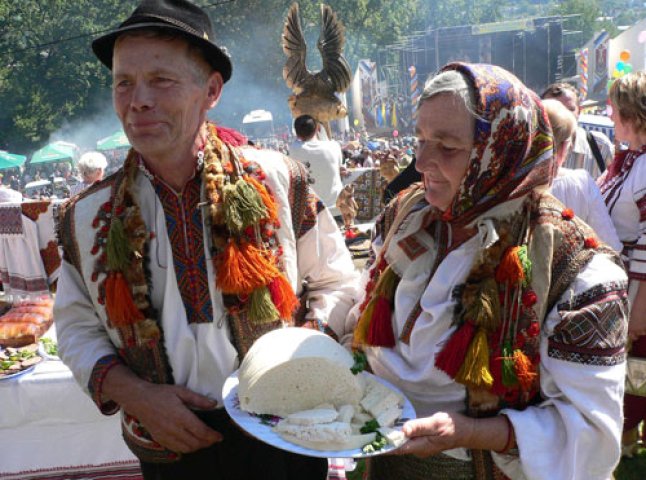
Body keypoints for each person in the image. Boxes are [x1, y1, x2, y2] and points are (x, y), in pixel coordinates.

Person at [53, 1, 358, 479]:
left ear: (211, 90)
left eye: (161, 80)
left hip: (285, 428)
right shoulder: (86, 216)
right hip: (167, 441)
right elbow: (74, 328)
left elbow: (337, 282)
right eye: (124, 83)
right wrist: (137, 396)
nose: (138, 101)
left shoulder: (279, 180)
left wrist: (301, 355)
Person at [342, 63, 628, 479]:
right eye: (420, 139)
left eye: (448, 146)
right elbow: (364, 312)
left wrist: (472, 432)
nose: (421, 162)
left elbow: (591, 436)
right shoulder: (407, 217)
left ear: (501, 150)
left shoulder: (576, 269)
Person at [598, 71, 646, 457]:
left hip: (638, 285)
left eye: (616, 109)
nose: (610, 115)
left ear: (635, 114)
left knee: (636, 366)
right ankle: (628, 437)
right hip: (623, 278)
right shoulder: (628, 159)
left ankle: (628, 437)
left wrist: (638, 307)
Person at [543, 99, 622, 251]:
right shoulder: (581, 183)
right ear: (566, 145)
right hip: (575, 272)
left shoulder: (511, 183)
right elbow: (610, 246)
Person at [541, 82, 614, 178]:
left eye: (569, 109)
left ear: (579, 111)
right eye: (554, 112)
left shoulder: (600, 146)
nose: (563, 116)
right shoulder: (529, 150)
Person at [289, 114, 344, 220]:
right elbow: (339, 167)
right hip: (336, 208)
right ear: (317, 128)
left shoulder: (294, 149)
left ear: (296, 133)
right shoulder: (334, 146)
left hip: (312, 213)